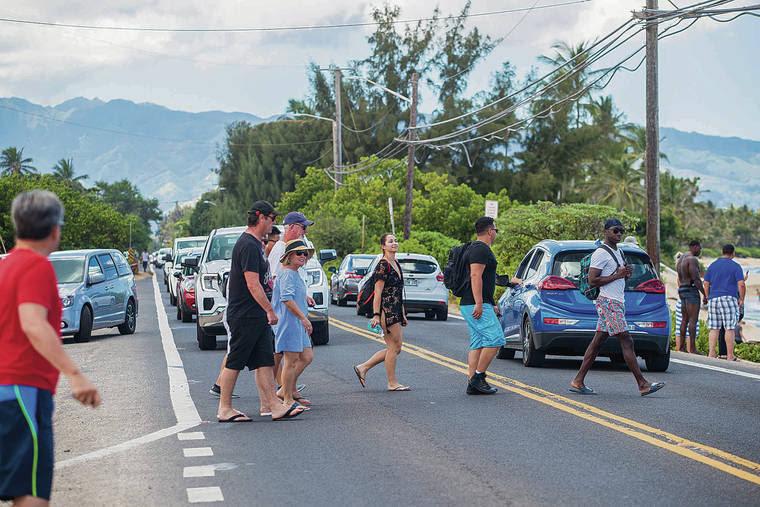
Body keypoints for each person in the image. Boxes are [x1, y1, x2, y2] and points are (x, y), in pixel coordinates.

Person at [0, 190, 101, 506]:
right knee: (30, 493)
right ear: (55, 229)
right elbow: (32, 323)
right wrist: (75, 374)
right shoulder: (37, 267)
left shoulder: (4, 267)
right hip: (21, 393)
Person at [216, 200, 303, 422]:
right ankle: (224, 408)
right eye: (272, 219)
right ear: (261, 217)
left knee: (264, 359)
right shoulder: (246, 245)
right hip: (245, 313)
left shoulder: (257, 244)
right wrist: (270, 310)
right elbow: (252, 283)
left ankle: (274, 405)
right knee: (235, 360)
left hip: (256, 315)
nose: (273, 225)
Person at [570, 218, 665, 396]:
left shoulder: (618, 251)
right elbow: (593, 280)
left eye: (621, 230)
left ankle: (578, 381)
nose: (619, 233)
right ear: (606, 231)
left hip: (617, 302)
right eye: (615, 230)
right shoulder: (600, 253)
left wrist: (625, 274)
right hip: (608, 302)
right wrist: (617, 275)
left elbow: (616, 275)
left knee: (597, 343)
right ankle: (643, 384)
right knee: (626, 340)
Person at [353, 233, 410, 391]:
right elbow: (378, 292)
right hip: (386, 311)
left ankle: (363, 367)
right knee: (394, 347)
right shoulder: (383, 265)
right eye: (390, 241)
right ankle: (392, 383)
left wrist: (403, 313)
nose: (394, 243)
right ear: (383, 246)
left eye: (395, 241)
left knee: (395, 347)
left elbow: (398, 292)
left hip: (396, 309)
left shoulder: (396, 263)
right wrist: (376, 315)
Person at [457, 217, 505, 395]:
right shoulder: (480, 250)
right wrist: (479, 303)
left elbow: (485, 279)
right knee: (496, 339)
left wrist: (489, 302)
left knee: (477, 343)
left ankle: (472, 382)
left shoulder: (476, 248)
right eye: (495, 230)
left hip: (476, 302)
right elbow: (476, 276)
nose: (495, 233)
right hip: (475, 303)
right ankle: (478, 377)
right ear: (490, 231)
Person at [272, 239, 314, 408]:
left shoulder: (294, 273)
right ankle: (287, 398)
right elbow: (286, 299)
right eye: (299, 253)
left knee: (306, 356)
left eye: (305, 254)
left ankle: (284, 391)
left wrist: (304, 297)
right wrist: (303, 318)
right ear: (289, 256)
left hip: (297, 322)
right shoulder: (288, 272)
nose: (303, 256)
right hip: (289, 321)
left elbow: (291, 293)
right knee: (290, 361)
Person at [704, 244, 746, 361]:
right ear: (733, 253)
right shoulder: (735, 266)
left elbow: (706, 283)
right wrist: (741, 299)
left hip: (713, 298)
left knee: (714, 327)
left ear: (722, 252)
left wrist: (708, 297)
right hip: (729, 298)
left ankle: (711, 353)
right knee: (729, 328)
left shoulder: (713, 265)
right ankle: (730, 355)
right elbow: (741, 284)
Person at [676, 240, 706, 354]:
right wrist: (704, 294)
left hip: (682, 289)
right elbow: (696, 279)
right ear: (695, 247)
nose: (700, 251)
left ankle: (682, 347)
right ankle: (692, 349)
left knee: (684, 319)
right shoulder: (692, 259)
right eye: (700, 248)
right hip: (691, 290)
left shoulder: (681, 259)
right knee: (693, 320)